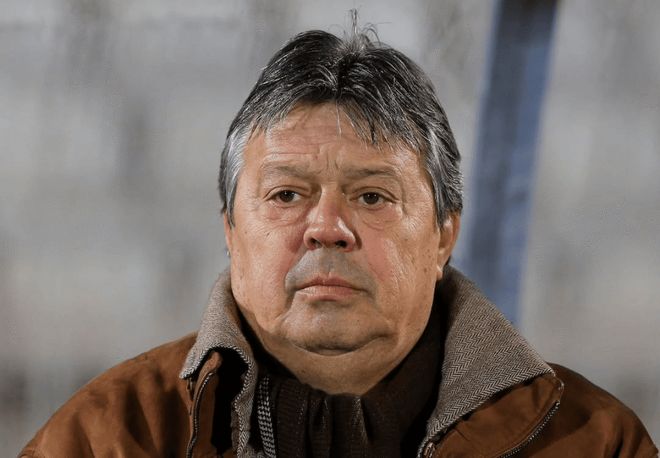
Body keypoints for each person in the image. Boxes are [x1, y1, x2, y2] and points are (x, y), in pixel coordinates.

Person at [21, 25, 657, 458]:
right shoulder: (103, 439)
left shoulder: (596, 443)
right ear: (230, 230)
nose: (327, 227)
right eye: (286, 195)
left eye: (372, 196)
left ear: (444, 236)